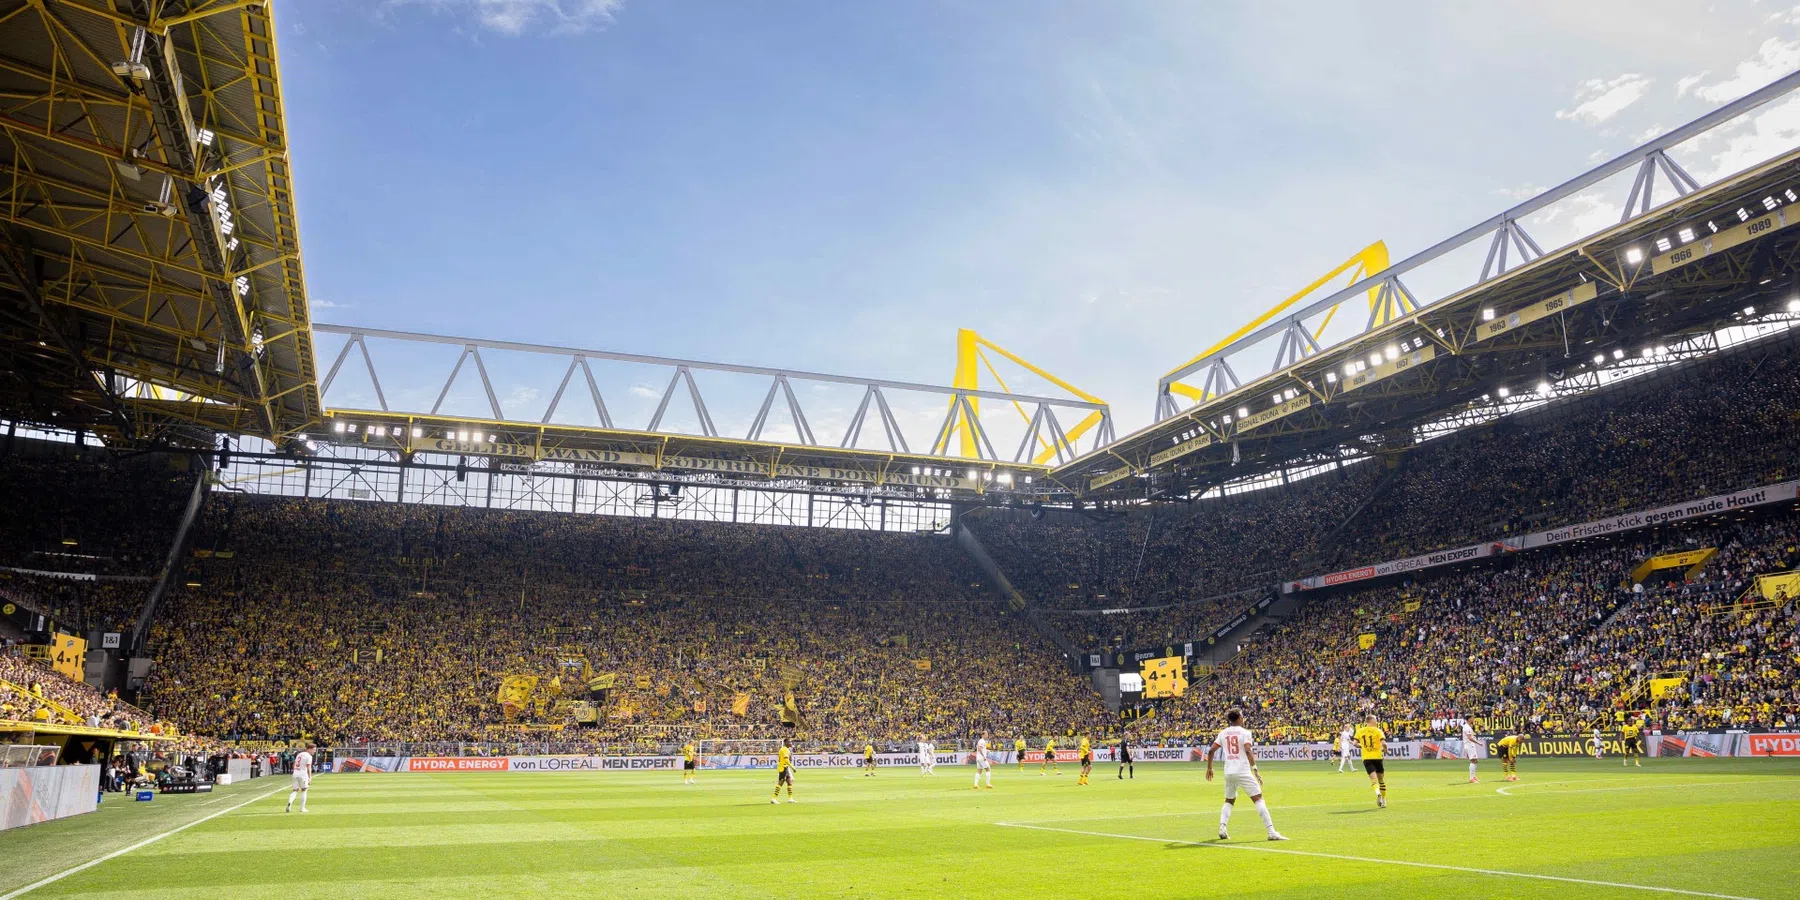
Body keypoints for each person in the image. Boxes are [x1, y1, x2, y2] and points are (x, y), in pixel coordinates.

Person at [1206, 708, 1287, 842]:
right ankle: (1271, 832)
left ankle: (1222, 828)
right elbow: (1248, 751)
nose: (1243, 719)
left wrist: (1210, 768)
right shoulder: (1245, 733)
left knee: (1229, 800)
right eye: (1242, 717)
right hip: (1243, 770)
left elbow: (1211, 751)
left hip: (1229, 772)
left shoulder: (1223, 733)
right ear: (1238, 718)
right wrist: (1255, 769)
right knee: (1258, 799)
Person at [1353, 715, 1387, 808]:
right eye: (1376, 720)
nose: (1376, 722)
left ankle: (1377, 792)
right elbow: (1384, 743)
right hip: (1377, 757)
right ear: (1371, 721)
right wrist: (1386, 750)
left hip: (1367, 758)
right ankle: (1384, 801)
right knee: (1381, 780)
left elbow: (1355, 744)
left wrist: (1362, 746)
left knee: (1373, 780)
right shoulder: (1378, 731)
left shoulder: (1360, 731)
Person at [286, 742, 313, 813]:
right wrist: (310, 777)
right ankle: (302, 808)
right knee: (304, 790)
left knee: (295, 790)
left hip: (295, 774)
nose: (314, 751)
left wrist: (294, 771)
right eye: (314, 750)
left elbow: (294, 764)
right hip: (303, 775)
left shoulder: (299, 754)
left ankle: (290, 802)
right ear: (309, 749)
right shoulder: (309, 756)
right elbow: (309, 767)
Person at [771, 737, 795, 804]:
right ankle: (773, 798)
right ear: (786, 743)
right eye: (789, 742)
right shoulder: (784, 750)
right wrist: (792, 768)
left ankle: (790, 798)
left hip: (785, 768)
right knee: (780, 782)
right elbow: (786, 760)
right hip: (783, 768)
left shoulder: (786, 749)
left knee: (789, 781)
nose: (791, 743)